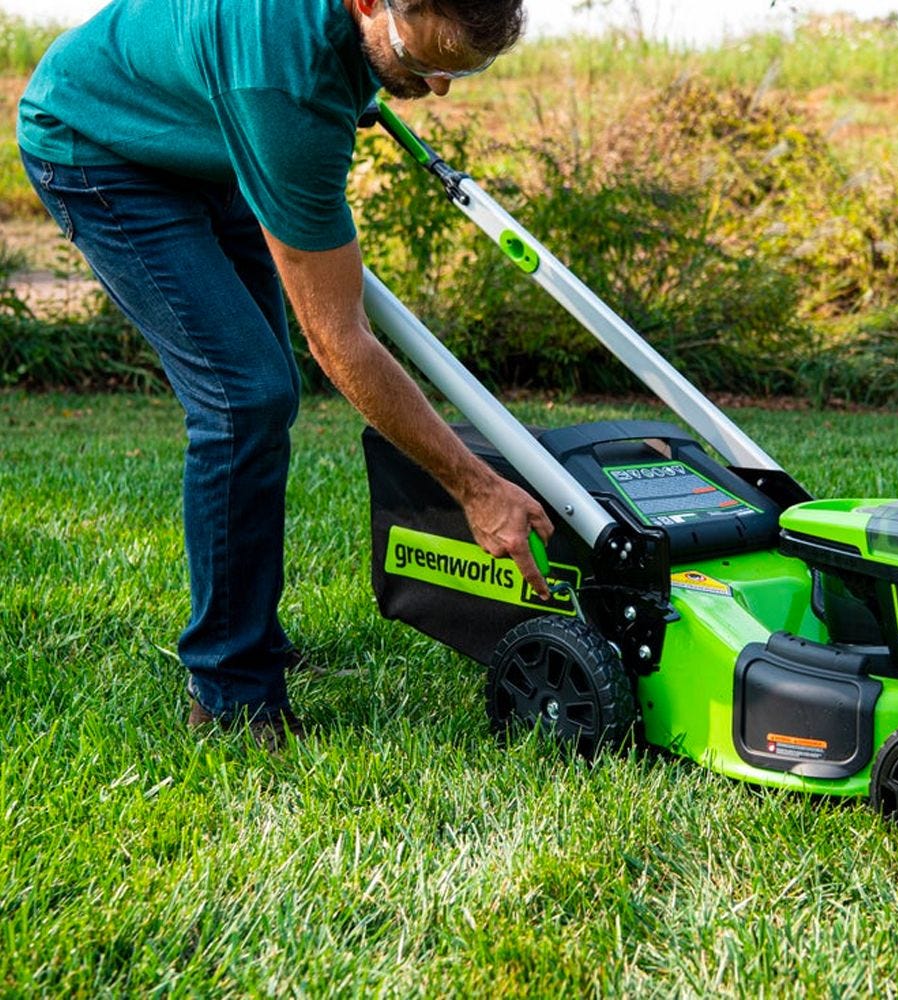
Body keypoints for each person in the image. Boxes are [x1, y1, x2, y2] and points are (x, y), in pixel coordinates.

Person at [16, 0, 554, 749]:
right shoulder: (285, 90)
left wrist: (378, 71)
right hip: (100, 145)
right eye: (426, 62)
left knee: (260, 398)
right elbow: (340, 342)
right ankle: (231, 691)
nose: (438, 89)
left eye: (461, 72)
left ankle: (247, 637)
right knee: (244, 399)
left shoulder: (310, 65)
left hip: (206, 130)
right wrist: (475, 487)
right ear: (369, 3)